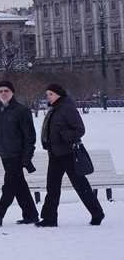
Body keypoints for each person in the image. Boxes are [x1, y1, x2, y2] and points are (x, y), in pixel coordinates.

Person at [37, 83, 105, 227]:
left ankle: (97, 213)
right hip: (55, 154)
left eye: (51, 94)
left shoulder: (67, 108)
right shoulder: (55, 109)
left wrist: (63, 135)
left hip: (69, 154)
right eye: (47, 94)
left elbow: (80, 129)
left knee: (81, 185)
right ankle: (49, 218)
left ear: (58, 95)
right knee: (52, 187)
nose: (48, 97)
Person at [0, 80, 39, 226]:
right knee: (19, 184)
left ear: (12, 92)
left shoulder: (21, 111)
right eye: (0, 91)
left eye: (6, 91)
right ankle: (31, 215)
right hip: (4, 154)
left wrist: (27, 156)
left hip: (17, 154)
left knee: (9, 184)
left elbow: (30, 137)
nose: (3, 94)